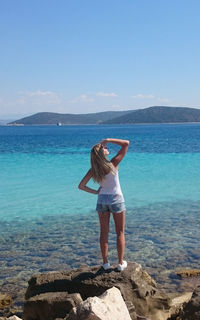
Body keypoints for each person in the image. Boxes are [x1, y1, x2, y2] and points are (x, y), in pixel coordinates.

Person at [78, 138, 129, 271]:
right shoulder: (113, 164)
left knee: (104, 233)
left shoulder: (94, 169)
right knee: (120, 232)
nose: (106, 147)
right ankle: (120, 263)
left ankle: (105, 263)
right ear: (102, 153)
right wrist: (108, 140)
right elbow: (126, 143)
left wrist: (96, 192)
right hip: (116, 199)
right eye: (104, 147)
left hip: (101, 201)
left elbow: (81, 186)